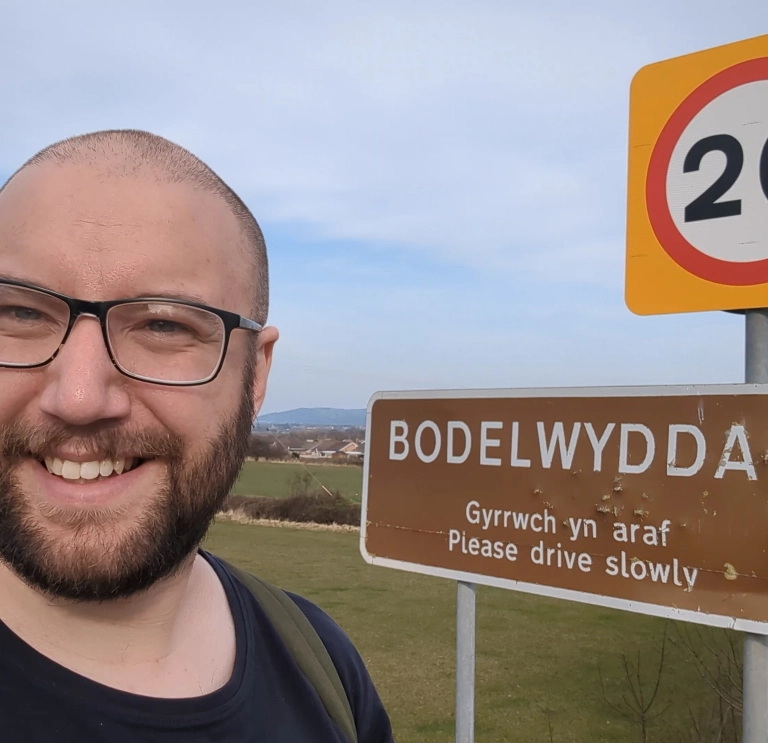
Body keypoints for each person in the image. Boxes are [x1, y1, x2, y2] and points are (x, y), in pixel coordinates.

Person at [0, 130, 394, 742]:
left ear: (255, 374)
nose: (77, 398)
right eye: (19, 313)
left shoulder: (323, 668)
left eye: (163, 324)